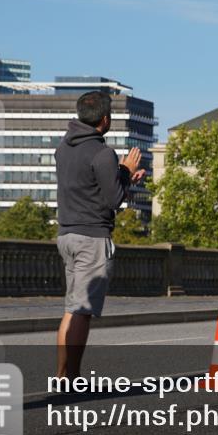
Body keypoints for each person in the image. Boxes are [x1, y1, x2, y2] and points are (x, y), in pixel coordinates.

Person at [54, 91, 144, 379]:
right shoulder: (103, 152)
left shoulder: (64, 147)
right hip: (91, 236)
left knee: (71, 308)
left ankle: (63, 375)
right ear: (105, 119)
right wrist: (126, 173)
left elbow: (88, 182)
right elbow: (113, 199)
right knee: (82, 310)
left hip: (66, 233)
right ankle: (71, 378)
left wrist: (119, 173)